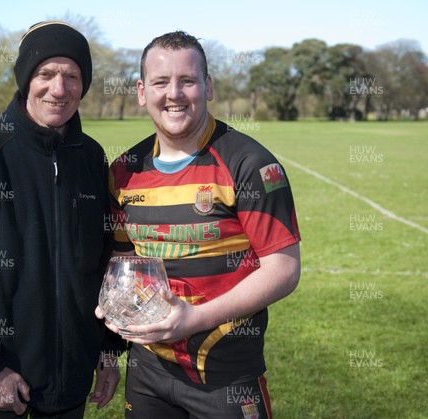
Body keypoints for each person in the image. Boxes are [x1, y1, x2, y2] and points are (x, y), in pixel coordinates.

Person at [0, 21, 123, 419]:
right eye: (46, 74)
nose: (59, 89)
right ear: (25, 78)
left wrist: (106, 350)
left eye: (72, 76)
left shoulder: (92, 158)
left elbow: (102, 265)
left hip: (70, 385)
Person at [96, 31, 301, 418]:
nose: (173, 93)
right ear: (142, 91)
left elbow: (285, 270)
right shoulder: (124, 171)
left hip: (226, 374)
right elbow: (122, 266)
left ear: (207, 87)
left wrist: (195, 320)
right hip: (147, 372)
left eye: (187, 80)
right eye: (160, 82)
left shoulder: (250, 164)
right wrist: (110, 341)